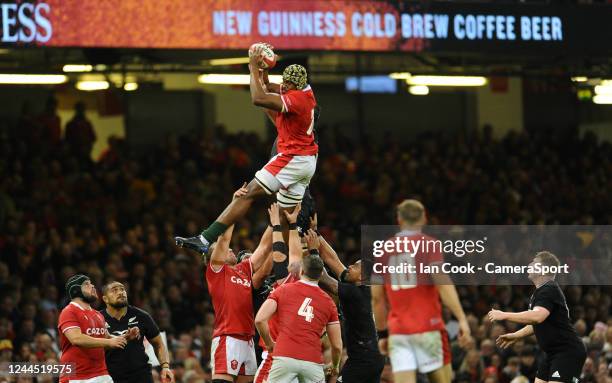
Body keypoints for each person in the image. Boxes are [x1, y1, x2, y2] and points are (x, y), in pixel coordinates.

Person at [175, 43, 318, 255]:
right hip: (305, 159)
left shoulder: (296, 101)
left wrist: (252, 66)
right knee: (284, 219)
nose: (284, 86)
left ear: (294, 87)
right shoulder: (304, 91)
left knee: (246, 195)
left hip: (293, 158)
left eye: (287, 84)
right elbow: (270, 89)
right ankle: (294, 264)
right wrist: (265, 70)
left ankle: (205, 238)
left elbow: (258, 98)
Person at [371, 199, 472, 383]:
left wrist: (383, 334)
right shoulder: (430, 245)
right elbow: (443, 284)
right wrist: (462, 319)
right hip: (428, 327)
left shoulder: (382, 250)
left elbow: (376, 299)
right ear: (424, 218)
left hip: (399, 331)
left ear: (399, 219)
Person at [205, 186, 274, 383]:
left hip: (248, 338)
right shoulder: (216, 270)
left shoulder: (243, 269)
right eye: (225, 251)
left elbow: (264, 247)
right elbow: (225, 237)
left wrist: (275, 222)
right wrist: (236, 204)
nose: (231, 250)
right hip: (228, 337)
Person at [488, 251, 587, 383]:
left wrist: (504, 315)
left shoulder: (548, 289)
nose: (529, 264)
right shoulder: (541, 291)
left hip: (567, 351)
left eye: (534, 263)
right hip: (553, 352)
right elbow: (536, 323)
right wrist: (516, 335)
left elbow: (537, 317)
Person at [305, 228, 385, 383]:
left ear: (362, 276)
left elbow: (323, 277)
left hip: (362, 360)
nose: (349, 266)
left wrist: (313, 250)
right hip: (374, 358)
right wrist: (315, 232)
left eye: (355, 266)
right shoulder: (363, 290)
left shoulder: (356, 294)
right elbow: (332, 259)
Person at [255, 253, 342, 383]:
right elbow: (337, 346)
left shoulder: (283, 289)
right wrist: (335, 366)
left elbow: (260, 320)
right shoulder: (329, 303)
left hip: (284, 357)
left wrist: (269, 344)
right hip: (312, 362)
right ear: (321, 275)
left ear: (301, 270)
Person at [253, 203, 304, 383]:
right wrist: (292, 224)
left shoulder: (284, 287)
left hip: (276, 356)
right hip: (298, 357)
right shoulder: (307, 288)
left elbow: (280, 256)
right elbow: (296, 256)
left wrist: (276, 223)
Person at [58, 274, 133, 383]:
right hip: (77, 377)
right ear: (76, 290)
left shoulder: (98, 314)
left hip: (101, 374)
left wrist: (124, 337)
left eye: (91, 283)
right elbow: (76, 339)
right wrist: (109, 342)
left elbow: (106, 338)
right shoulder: (69, 311)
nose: (93, 286)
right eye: (87, 284)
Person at [101, 281, 175, 383]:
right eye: (114, 290)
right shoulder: (98, 319)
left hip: (141, 376)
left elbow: (159, 344)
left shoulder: (142, 316)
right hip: (111, 377)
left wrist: (165, 366)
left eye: (122, 289)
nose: (120, 292)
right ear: (105, 299)